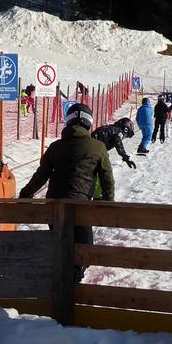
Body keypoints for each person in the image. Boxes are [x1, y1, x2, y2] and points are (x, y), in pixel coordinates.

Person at [19, 102, 114, 282]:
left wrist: (25, 194)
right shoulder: (98, 147)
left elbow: (40, 176)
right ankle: (74, 277)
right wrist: (108, 203)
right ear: (89, 123)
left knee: (61, 240)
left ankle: (64, 274)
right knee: (83, 246)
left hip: (54, 206)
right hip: (81, 206)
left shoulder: (56, 147)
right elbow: (107, 178)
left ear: (68, 122)